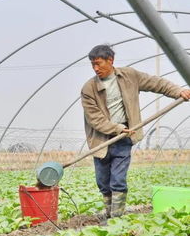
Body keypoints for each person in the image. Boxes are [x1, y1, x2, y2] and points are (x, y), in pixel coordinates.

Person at [81, 44, 190, 222]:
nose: (95, 68)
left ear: (111, 60)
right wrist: (116, 128)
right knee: (103, 180)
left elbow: (157, 83)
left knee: (118, 179)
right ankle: (108, 212)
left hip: (126, 134)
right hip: (101, 139)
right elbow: (95, 119)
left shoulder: (129, 76)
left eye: (99, 63)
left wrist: (178, 91)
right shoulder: (89, 89)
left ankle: (116, 217)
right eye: (92, 64)